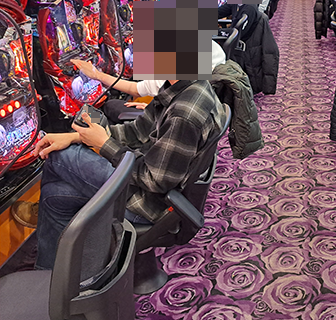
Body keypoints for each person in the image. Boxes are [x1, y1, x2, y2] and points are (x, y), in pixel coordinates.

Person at [29, 78, 226, 270]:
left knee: (60, 157)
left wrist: (104, 144)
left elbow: (154, 181)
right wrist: (76, 137)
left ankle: (70, 259)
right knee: (54, 195)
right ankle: (52, 274)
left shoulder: (184, 113)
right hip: (155, 183)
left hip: (151, 204)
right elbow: (136, 131)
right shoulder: (186, 85)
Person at [69, 41, 227, 122]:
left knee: (108, 106)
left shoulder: (174, 78)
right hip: (187, 112)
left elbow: (136, 89)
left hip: (159, 131)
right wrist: (158, 107)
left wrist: (97, 75)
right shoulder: (211, 49)